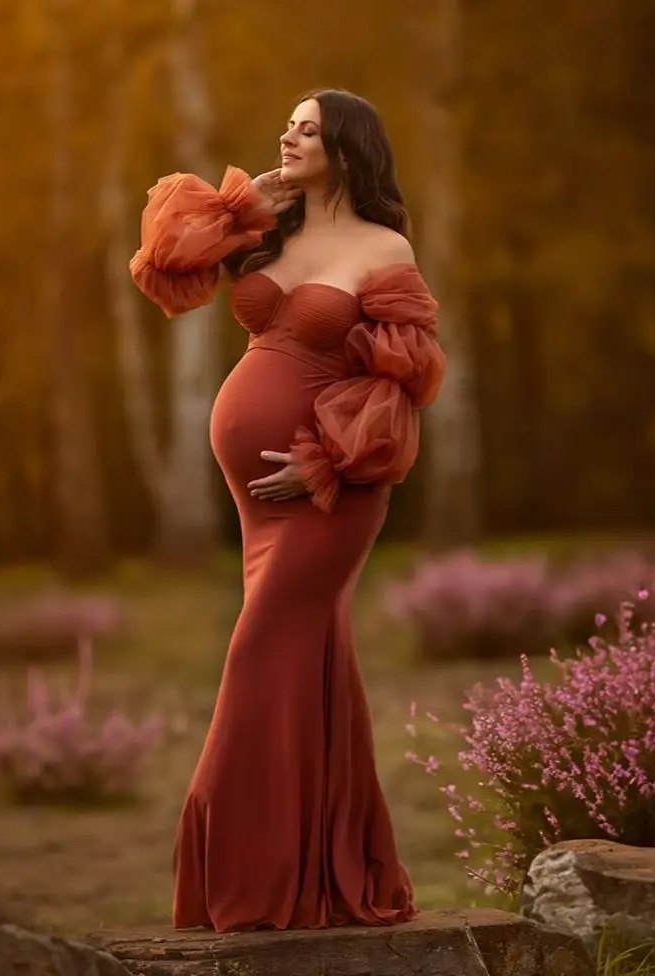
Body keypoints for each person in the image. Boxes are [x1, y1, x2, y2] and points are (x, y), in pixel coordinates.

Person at [130, 88, 445, 933]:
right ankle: (325, 872)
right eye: (288, 126)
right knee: (313, 660)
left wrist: (324, 461)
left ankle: (247, 871)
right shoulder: (272, 229)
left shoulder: (384, 245)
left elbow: (402, 378)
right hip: (257, 499)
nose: (287, 135)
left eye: (307, 129)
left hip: (331, 489)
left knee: (262, 653)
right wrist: (241, 205)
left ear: (346, 148)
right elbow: (165, 267)